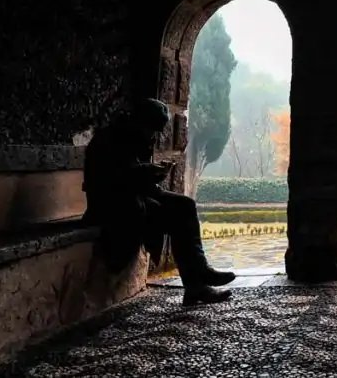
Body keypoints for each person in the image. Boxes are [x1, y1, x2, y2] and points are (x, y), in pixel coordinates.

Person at [82, 98, 236, 305]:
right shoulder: (107, 140)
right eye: (151, 129)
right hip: (113, 205)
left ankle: (199, 274)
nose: (153, 135)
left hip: (135, 196)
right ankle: (196, 285)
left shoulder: (133, 137)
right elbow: (111, 180)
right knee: (174, 216)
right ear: (140, 121)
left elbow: (135, 175)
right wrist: (148, 172)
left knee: (185, 205)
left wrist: (152, 173)